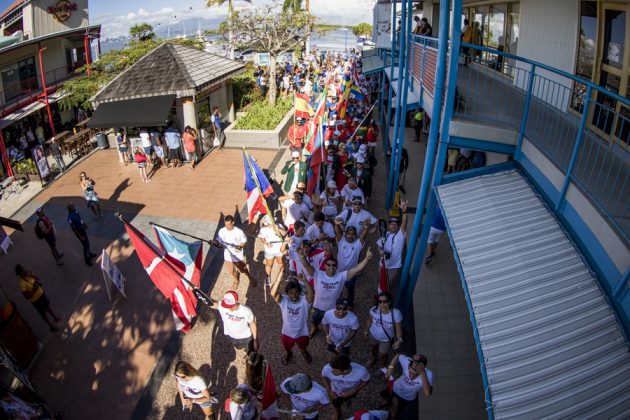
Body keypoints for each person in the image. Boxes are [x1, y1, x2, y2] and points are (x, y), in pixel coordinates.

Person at [300, 245, 373, 338]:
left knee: (331, 324)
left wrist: (366, 259)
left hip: (333, 309)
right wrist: (302, 256)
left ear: (337, 267)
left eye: (334, 265)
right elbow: (306, 265)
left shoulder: (341, 276)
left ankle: (329, 333)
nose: (331, 267)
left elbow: (356, 269)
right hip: (318, 306)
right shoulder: (318, 273)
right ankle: (314, 327)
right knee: (314, 320)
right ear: (325, 266)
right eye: (329, 265)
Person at [211, 292, 259, 382]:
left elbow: (253, 324)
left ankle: (250, 366)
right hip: (231, 336)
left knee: (251, 352)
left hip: (246, 337)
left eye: (230, 306)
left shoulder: (246, 311)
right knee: (238, 347)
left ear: (236, 302)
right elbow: (211, 304)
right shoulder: (222, 306)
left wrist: (256, 339)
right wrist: (196, 292)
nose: (227, 308)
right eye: (226, 305)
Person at [271, 270, 315, 365]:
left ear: (300, 292)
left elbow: (311, 294)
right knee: (287, 347)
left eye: (296, 292)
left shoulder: (304, 301)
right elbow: (273, 294)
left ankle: (303, 351)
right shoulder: (284, 300)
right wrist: (279, 279)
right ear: (287, 293)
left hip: (302, 333)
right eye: (291, 293)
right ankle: (287, 352)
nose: (294, 295)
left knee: (303, 346)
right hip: (287, 332)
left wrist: (305, 281)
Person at [380, 354, 433, 418]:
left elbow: (427, 394)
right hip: (395, 387)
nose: (411, 375)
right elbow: (398, 356)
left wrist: (423, 373)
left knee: (400, 407)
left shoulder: (428, 374)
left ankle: (395, 413)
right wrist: (390, 367)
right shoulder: (407, 361)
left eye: (414, 373)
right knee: (386, 395)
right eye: (410, 370)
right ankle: (388, 401)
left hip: (407, 397)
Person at [321, 354, 370, 420]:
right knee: (336, 403)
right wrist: (329, 390)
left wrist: (355, 390)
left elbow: (366, 380)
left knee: (347, 397)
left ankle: (345, 400)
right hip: (335, 392)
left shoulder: (361, 371)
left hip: (351, 391)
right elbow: (323, 376)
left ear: (345, 371)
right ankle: (337, 411)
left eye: (335, 371)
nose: (331, 372)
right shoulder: (328, 368)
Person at [213, 215, 256, 289]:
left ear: (233, 222)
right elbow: (218, 240)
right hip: (227, 255)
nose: (227, 227)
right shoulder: (222, 231)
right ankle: (236, 280)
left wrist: (239, 248)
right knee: (231, 270)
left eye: (229, 225)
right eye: (225, 224)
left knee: (243, 269)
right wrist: (214, 242)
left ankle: (250, 278)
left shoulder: (239, 232)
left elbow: (244, 241)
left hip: (237, 255)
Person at [16, 264, 62, 332]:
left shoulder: (28, 275)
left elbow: (37, 278)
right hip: (36, 300)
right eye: (23, 269)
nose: (25, 269)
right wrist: (33, 290)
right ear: (20, 273)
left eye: (24, 268)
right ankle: (50, 326)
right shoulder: (22, 284)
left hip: (41, 294)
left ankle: (55, 318)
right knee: (43, 314)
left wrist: (31, 275)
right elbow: (26, 297)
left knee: (48, 307)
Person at [365, 292, 403, 369]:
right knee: (373, 348)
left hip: (386, 339)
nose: (382, 304)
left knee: (383, 354)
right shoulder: (374, 310)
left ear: (389, 302)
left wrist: (399, 340)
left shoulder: (396, 314)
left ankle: (382, 366)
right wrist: (365, 331)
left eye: (385, 301)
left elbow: (398, 329)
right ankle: (373, 358)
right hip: (373, 335)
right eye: (380, 302)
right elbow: (369, 321)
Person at [377, 201, 408, 297]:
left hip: (394, 267)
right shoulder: (385, 234)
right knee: (381, 283)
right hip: (382, 264)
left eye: (395, 224)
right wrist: (381, 252)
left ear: (398, 226)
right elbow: (379, 246)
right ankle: (380, 298)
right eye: (391, 224)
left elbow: (404, 223)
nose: (393, 226)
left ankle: (386, 301)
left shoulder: (400, 235)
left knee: (389, 286)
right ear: (389, 225)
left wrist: (404, 211)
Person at [334, 222, 368, 308]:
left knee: (351, 291)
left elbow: (363, 236)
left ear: (356, 235)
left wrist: (366, 227)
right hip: (340, 273)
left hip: (351, 273)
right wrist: (336, 224)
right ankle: (338, 303)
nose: (351, 235)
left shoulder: (358, 244)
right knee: (338, 290)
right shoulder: (341, 241)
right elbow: (338, 232)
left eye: (353, 234)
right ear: (345, 234)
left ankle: (350, 304)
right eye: (348, 233)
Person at [257, 216, 285, 286]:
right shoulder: (263, 229)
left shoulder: (279, 225)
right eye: (266, 223)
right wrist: (266, 243)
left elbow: (285, 233)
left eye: (268, 223)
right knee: (269, 265)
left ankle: (282, 276)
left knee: (281, 263)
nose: (267, 224)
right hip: (269, 250)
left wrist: (277, 228)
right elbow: (261, 238)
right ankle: (268, 278)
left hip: (280, 249)